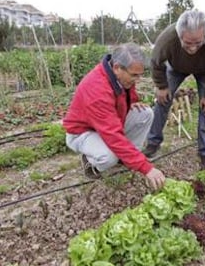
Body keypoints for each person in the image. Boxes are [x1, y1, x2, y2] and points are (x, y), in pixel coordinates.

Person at [62, 43, 166, 191]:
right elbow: (113, 135)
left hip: (103, 125)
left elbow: (126, 93)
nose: (138, 80)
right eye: (134, 75)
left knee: (145, 113)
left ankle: (127, 159)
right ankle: (90, 162)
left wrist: (132, 103)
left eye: (140, 75)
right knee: (109, 157)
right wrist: (147, 168)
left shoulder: (117, 75)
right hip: (82, 132)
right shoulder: (97, 90)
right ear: (117, 67)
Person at [143, 9, 205, 168]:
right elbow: (155, 62)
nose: (193, 48)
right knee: (162, 101)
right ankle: (152, 143)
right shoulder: (168, 38)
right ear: (179, 35)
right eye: (188, 43)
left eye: (198, 43)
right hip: (177, 67)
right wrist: (161, 86)